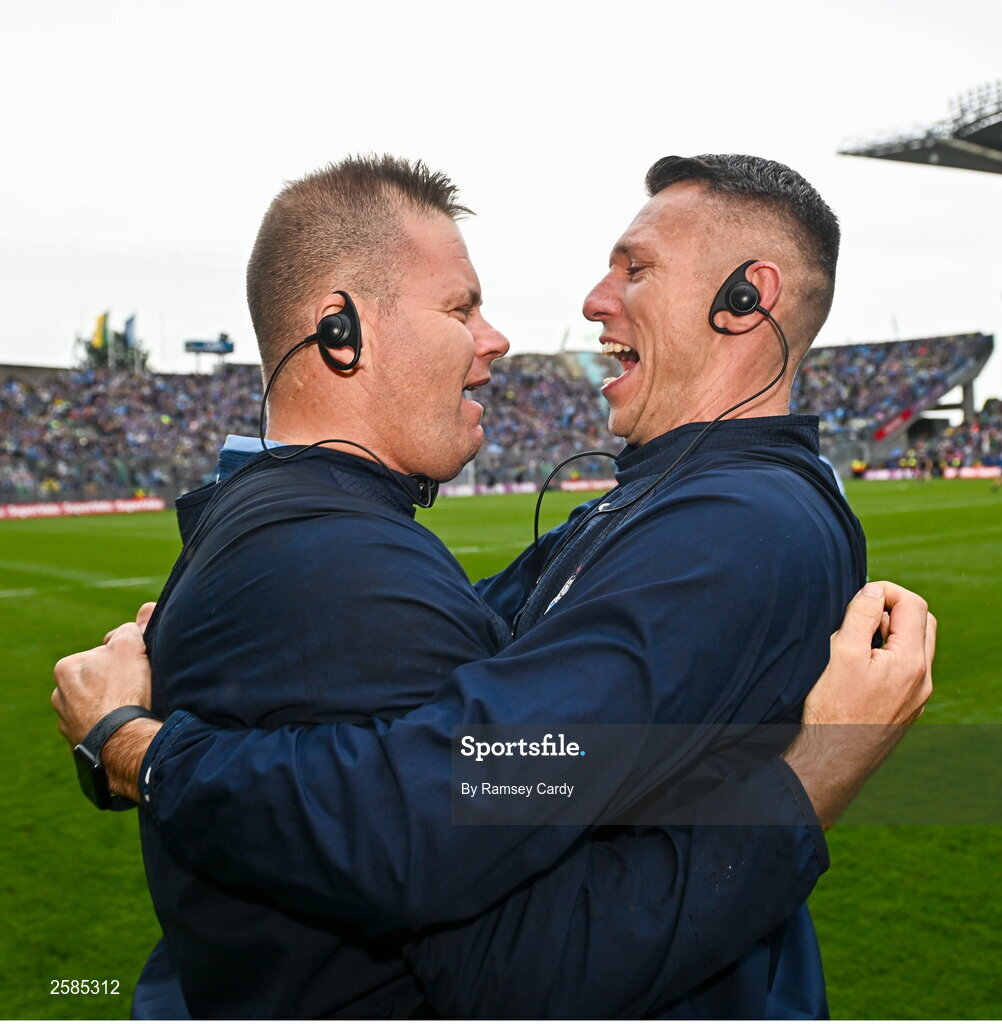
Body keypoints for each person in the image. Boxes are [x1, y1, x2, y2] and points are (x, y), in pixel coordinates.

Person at [53, 154, 935, 1019]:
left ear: (749, 298)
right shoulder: (657, 506)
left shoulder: (736, 531)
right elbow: (453, 690)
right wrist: (210, 650)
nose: (591, 299)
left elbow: (456, 806)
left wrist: (137, 748)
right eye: (462, 306)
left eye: (636, 268)